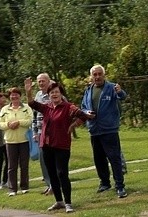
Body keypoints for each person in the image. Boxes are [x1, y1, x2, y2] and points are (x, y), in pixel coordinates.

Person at [25, 77, 94, 213]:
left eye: (56, 92)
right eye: (52, 93)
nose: (54, 94)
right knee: (52, 174)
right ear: (49, 96)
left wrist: (73, 125)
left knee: (62, 173)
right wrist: (28, 91)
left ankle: (68, 203)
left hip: (62, 145)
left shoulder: (68, 107)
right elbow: (32, 103)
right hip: (46, 145)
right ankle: (58, 201)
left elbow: (82, 115)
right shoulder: (47, 108)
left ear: (61, 94)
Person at [80, 64, 128, 198]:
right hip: (94, 129)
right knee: (99, 159)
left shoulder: (111, 87)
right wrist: (86, 113)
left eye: (99, 74)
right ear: (91, 76)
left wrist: (120, 91)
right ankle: (105, 183)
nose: (97, 77)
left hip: (109, 130)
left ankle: (120, 186)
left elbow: (123, 97)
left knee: (114, 158)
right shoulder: (88, 90)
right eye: (94, 75)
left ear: (104, 75)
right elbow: (83, 107)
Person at [0, 87, 33, 196]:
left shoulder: (26, 108)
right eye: (12, 95)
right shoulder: (4, 109)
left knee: (24, 165)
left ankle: (24, 186)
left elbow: (30, 121)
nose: (14, 96)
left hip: (24, 140)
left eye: (16, 94)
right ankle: (12, 189)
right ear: (9, 97)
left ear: (20, 96)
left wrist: (19, 122)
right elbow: (0, 124)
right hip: (10, 141)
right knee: (11, 166)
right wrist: (8, 124)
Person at [33, 73, 53, 195]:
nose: (41, 83)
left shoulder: (54, 94)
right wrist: (34, 132)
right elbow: (34, 116)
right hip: (40, 132)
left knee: (52, 159)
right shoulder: (38, 95)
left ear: (48, 81)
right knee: (43, 160)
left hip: (52, 132)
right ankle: (49, 183)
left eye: (43, 81)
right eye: (39, 81)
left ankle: (55, 185)